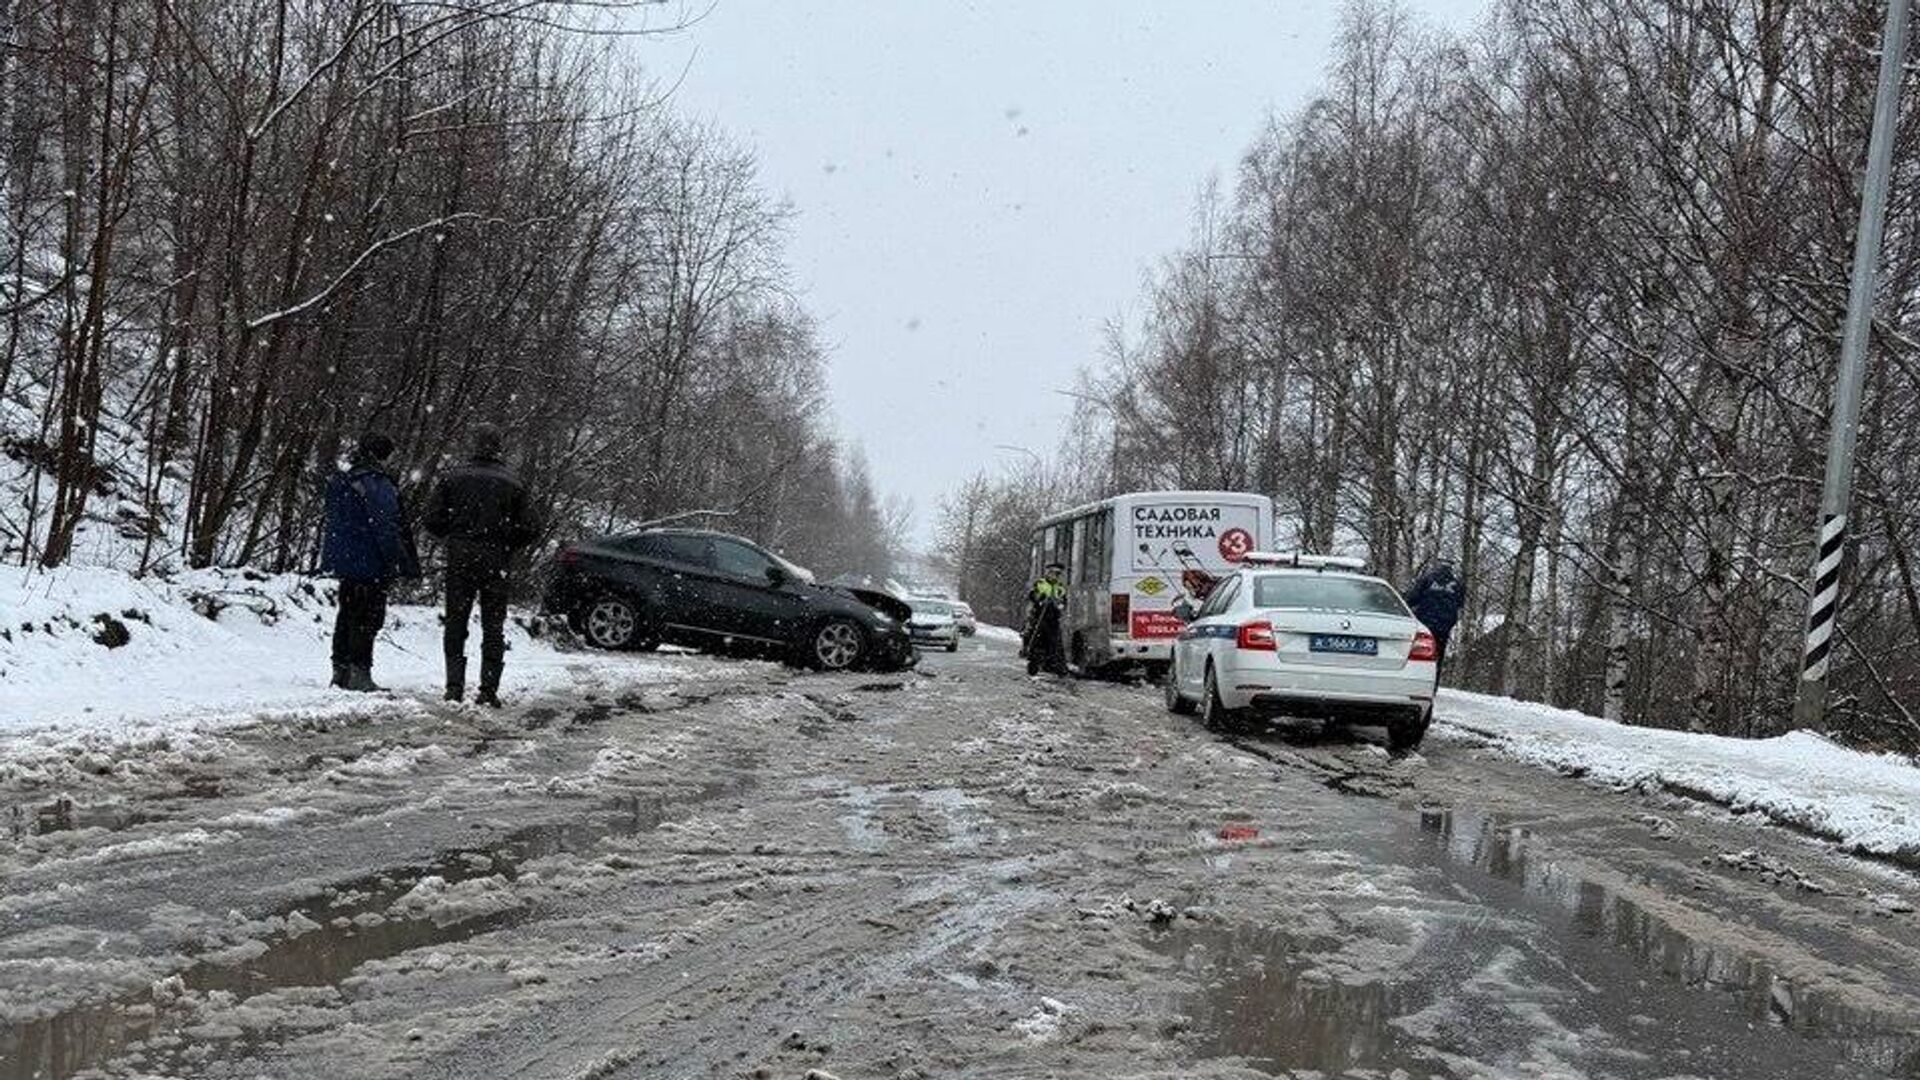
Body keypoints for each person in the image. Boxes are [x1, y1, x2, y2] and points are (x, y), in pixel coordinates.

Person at [423, 424, 540, 707]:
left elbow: (432, 519)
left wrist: (453, 536)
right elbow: (531, 526)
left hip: (460, 556)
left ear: (474, 445)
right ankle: (488, 689)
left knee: (456, 622)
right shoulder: (513, 483)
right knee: (493, 625)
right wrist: (507, 542)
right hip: (495, 558)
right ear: (499, 447)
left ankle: (453, 686)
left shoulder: (452, 478)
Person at [319, 433, 420, 692]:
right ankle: (360, 672)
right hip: (371, 561)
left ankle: (340, 670)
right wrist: (397, 560)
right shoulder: (377, 484)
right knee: (368, 617)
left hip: (346, 561)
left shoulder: (343, 480)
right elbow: (386, 526)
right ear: (381, 455)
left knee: (346, 614)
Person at [1403, 560, 1464, 676]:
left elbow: (1412, 598)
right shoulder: (1458, 584)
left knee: (1420, 653)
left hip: (1425, 623)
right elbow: (1460, 604)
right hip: (1444, 626)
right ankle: (1433, 682)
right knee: (1438, 655)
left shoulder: (1427, 579)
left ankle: (1416, 678)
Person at [1024, 562, 1069, 677]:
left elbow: (1063, 601)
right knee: (1037, 641)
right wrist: (1040, 599)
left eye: (1057, 574)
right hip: (1040, 617)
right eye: (1052, 573)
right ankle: (1033, 665)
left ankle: (1057, 667)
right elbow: (1032, 595)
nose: (1054, 576)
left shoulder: (1060, 587)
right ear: (1048, 573)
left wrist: (1060, 605)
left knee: (1055, 643)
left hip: (1053, 619)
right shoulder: (1040, 583)